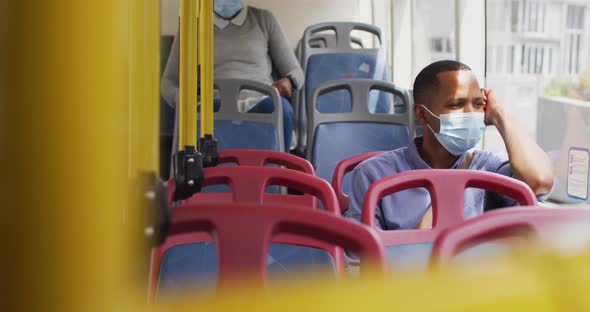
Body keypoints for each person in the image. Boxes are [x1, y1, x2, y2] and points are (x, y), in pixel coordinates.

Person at [345, 60, 554, 230]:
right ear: (422, 114)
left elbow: (538, 181)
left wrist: (500, 116)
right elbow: (363, 259)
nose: (471, 114)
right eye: (456, 104)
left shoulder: (488, 168)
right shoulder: (374, 174)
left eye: (478, 104)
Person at [161, 0, 304, 151]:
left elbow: (296, 71)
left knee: (282, 109)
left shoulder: (264, 19)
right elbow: (168, 82)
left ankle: (280, 170)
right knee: (203, 114)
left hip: (259, 101)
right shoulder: (192, 25)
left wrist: (289, 81)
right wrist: (184, 100)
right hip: (213, 104)